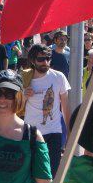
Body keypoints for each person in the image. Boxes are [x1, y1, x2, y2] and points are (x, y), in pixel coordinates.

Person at [23, 45, 71, 175]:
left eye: (48, 58)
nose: (45, 62)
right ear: (33, 61)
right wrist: (24, 96)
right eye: (41, 59)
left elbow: (65, 107)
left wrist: (69, 133)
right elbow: (16, 107)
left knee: (52, 172)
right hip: (31, 132)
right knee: (32, 172)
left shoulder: (59, 77)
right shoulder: (25, 78)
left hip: (54, 132)